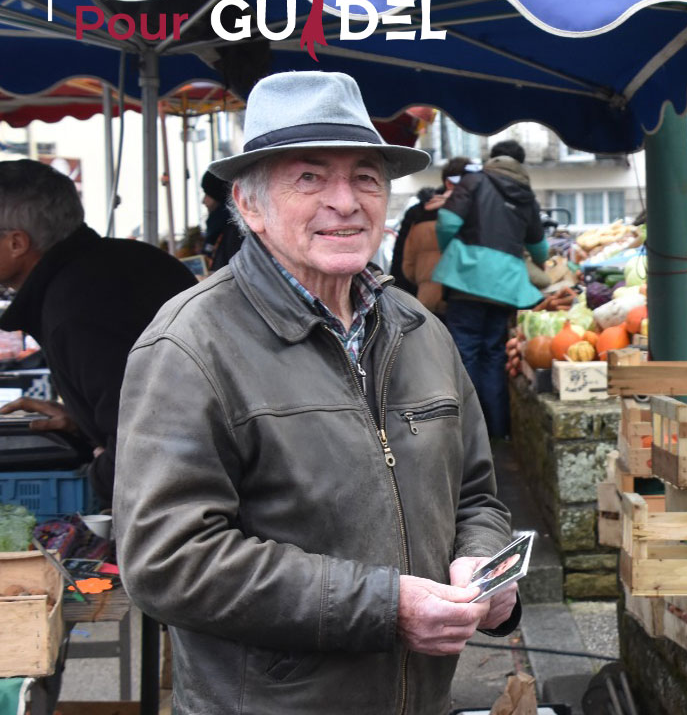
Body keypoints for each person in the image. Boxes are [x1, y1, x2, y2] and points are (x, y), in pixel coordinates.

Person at [114, 71, 520, 714]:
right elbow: (170, 560)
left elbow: (474, 495)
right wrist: (384, 608)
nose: (346, 201)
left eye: (365, 177)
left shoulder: (420, 332)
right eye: (309, 178)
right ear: (249, 206)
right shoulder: (191, 345)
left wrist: (487, 568)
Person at [0, 159, 195, 506]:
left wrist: (99, 475)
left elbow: (150, 446)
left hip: (196, 509)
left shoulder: (77, 307)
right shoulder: (124, 259)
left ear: (17, 243)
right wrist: (83, 423)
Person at [432, 139, 547, 440]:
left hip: (465, 281)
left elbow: (446, 221)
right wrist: (540, 264)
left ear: (493, 158)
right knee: (494, 355)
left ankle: (469, 436)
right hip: (505, 287)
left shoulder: (473, 181)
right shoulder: (526, 196)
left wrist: (452, 252)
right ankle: (497, 432)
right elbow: (539, 247)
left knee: (465, 354)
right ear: (521, 164)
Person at [399, 157, 470, 314]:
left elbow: (405, 263)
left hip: (427, 299)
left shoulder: (419, 213)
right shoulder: (477, 212)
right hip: (468, 297)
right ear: (450, 183)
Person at [200, 171, 243, 270]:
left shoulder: (234, 231)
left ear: (218, 196)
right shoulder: (219, 229)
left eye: (207, 194)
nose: (203, 201)